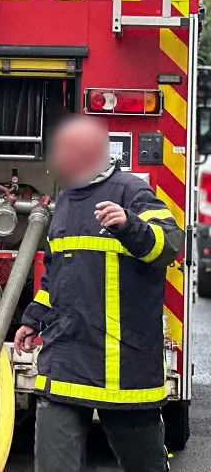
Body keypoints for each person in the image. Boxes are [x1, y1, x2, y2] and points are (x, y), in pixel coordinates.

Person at [14, 115, 183, 472]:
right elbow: (56, 276)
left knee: (145, 465)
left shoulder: (131, 192)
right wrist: (33, 320)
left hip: (123, 367)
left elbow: (170, 245)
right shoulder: (65, 202)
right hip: (66, 360)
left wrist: (129, 225)